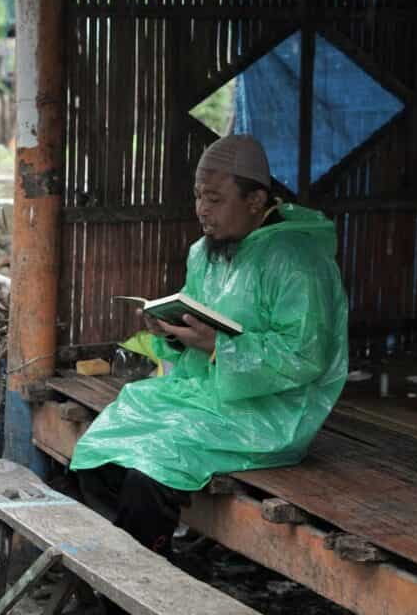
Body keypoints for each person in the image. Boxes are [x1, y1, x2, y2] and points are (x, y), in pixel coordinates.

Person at [69, 134, 349, 556]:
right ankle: (116, 568)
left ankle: (136, 591)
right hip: (205, 397)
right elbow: (196, 325)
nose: (202, 209)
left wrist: (220, 347)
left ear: (256, 200)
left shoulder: (297, 260)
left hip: (269, 414)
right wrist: (172, 333)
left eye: (215, 199)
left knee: (152, 468)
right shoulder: (204, 252)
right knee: (104, 440)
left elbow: (306, 355)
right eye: (199, 196)